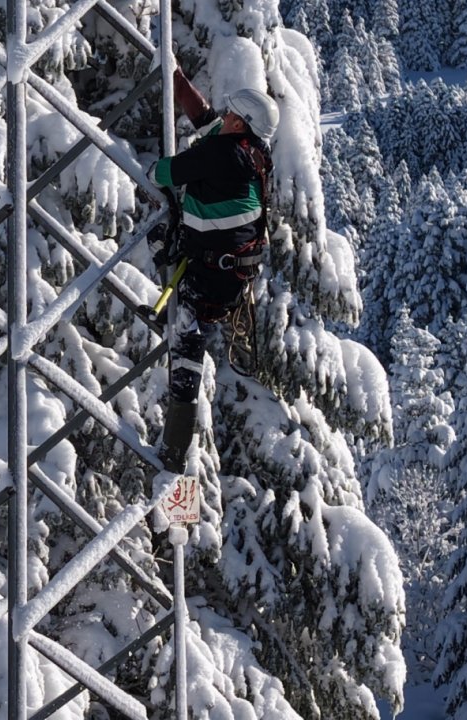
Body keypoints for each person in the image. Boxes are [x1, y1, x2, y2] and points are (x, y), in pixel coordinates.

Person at [148, 67, 278, 473]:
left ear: (239, 122)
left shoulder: (219, 153)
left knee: (187, 350)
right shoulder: (253, 154)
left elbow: (161, 173)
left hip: (209, 278)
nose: (221, 118)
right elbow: (205, 120)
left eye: (228, 115)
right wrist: (177, 79)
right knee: (190, 338)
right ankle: (176, 457)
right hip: (234, 276)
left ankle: (174, 458)